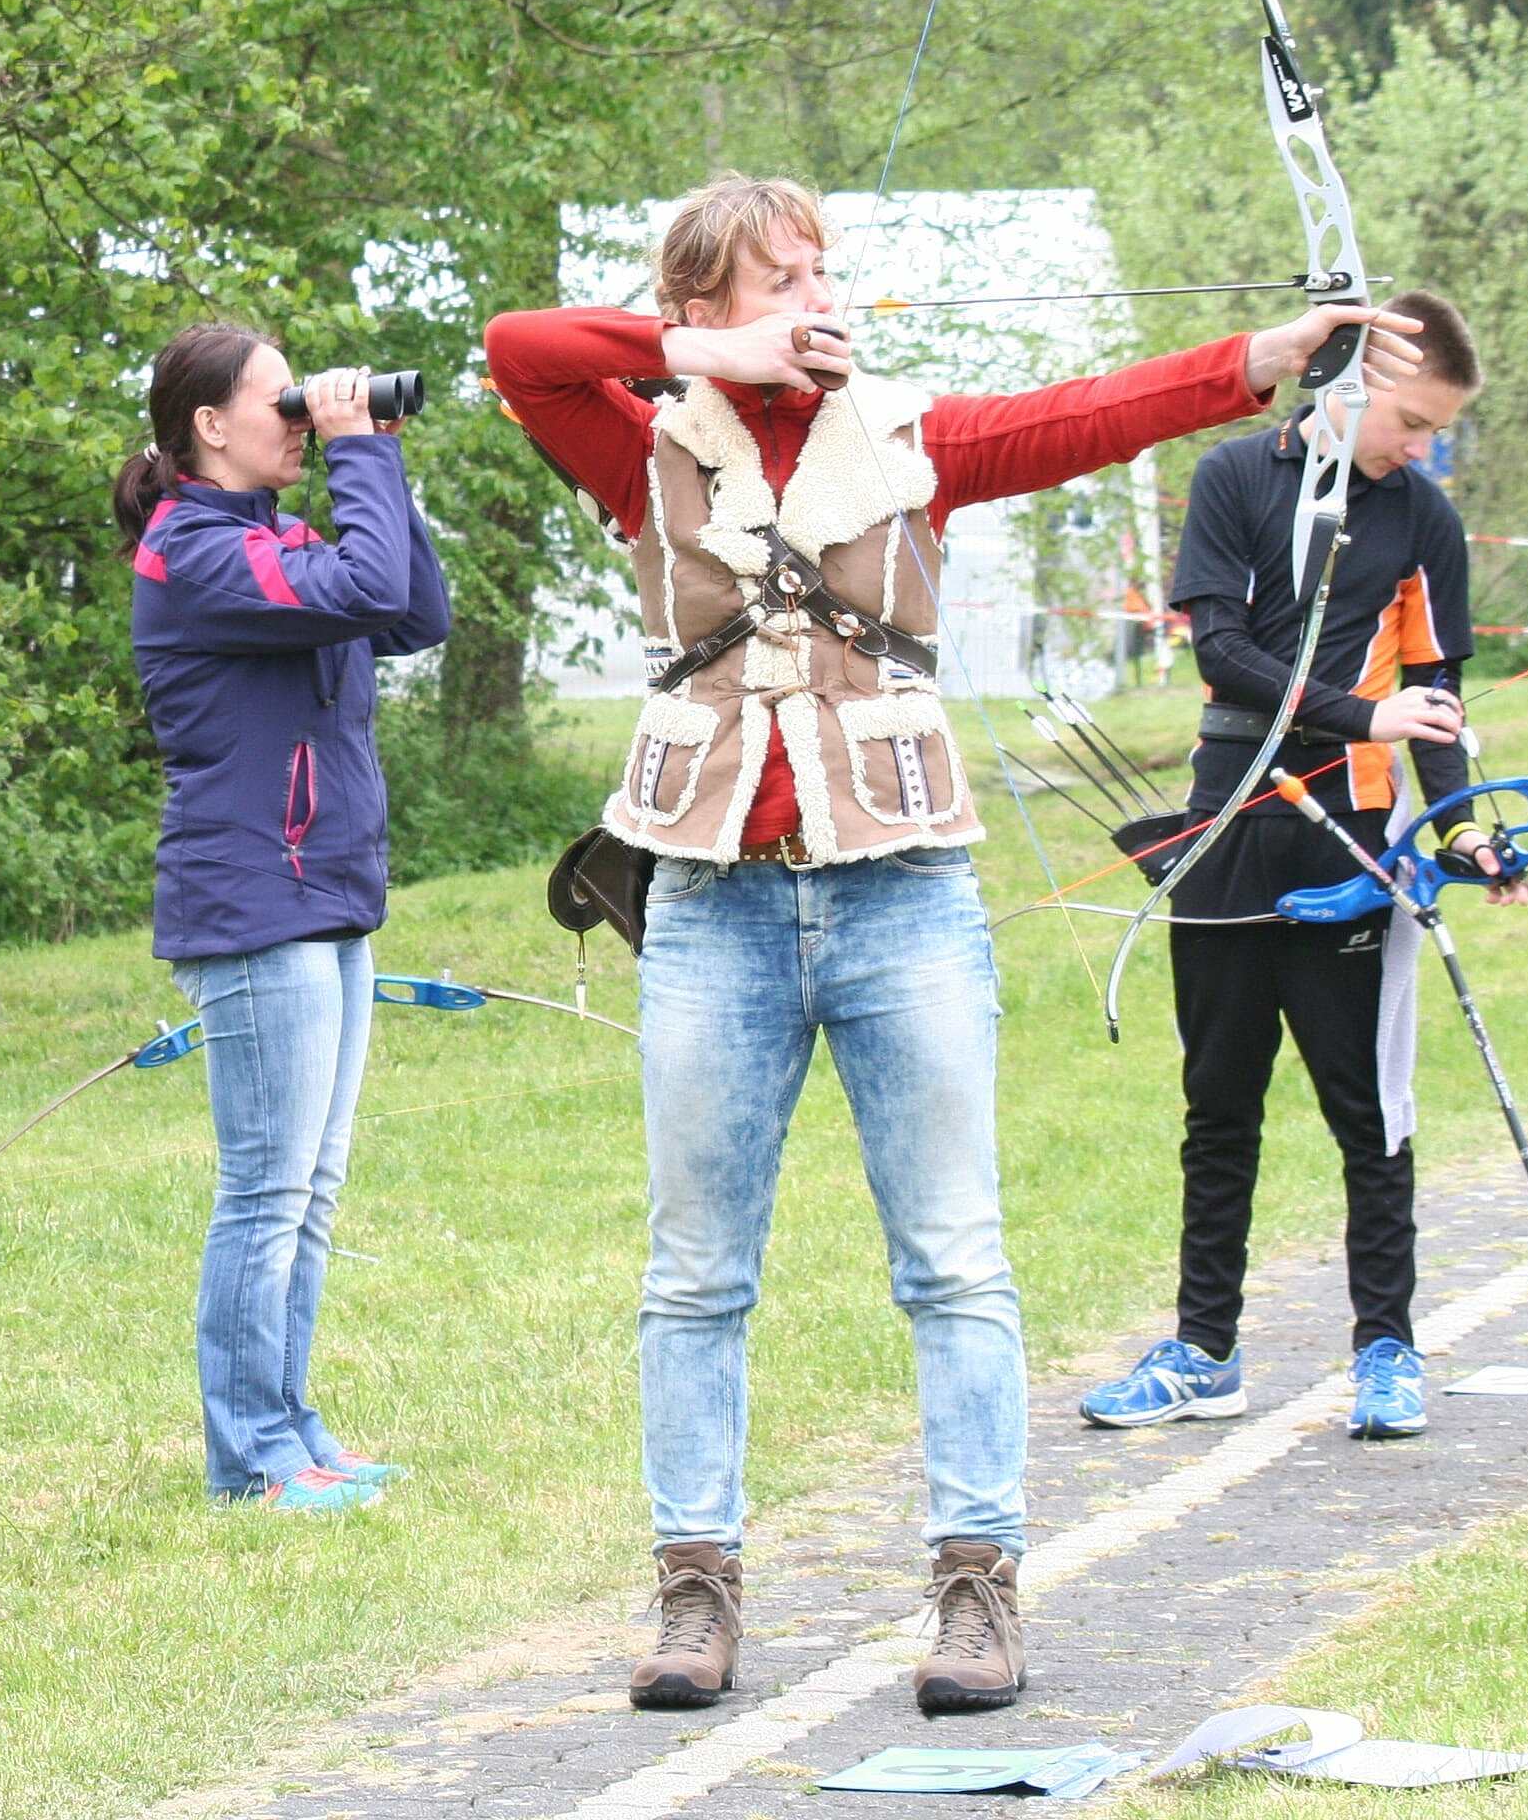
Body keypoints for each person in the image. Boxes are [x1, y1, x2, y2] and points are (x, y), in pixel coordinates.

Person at [483, 176, 1424, 1717]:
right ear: (704, 305)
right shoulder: (636, 436)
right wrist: (703, 360)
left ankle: (978, 1592)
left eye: (824, 274)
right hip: (714, 904)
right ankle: (695, 1595)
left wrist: (1256, 361)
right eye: (786, 280)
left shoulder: (905, 433)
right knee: (696, 1276)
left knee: (955, 1262)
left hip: (901, 896)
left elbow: (1086, 419)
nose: (823, 300)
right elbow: (518, 345)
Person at [1081, 289, 1519, 1447]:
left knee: (1368, 1112)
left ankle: (1386, 1349)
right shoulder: (1234, 477)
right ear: (1356, 379)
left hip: (1354, 839)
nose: (1423, 450)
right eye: (1414, 423)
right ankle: (1204, 1352)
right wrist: (1363, 716)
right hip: (1227, 825)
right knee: (1218, 1106)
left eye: (1437, 433)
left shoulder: (1422, 517)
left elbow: (1436, 697)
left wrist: (1462, 829)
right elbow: (1223, 653)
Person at [121, 324, 451, 1511]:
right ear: (210, 426)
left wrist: (381, 453)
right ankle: (250, 1461)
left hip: (326, 891)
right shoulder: (193, 552)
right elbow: (365, 589)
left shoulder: (274, 540)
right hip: (254, 895)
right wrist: (357, 449)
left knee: (309, 1194)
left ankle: (295, 1433)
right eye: (285, 402)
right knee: (266, 1193)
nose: (304, 420)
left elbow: (411, 610)